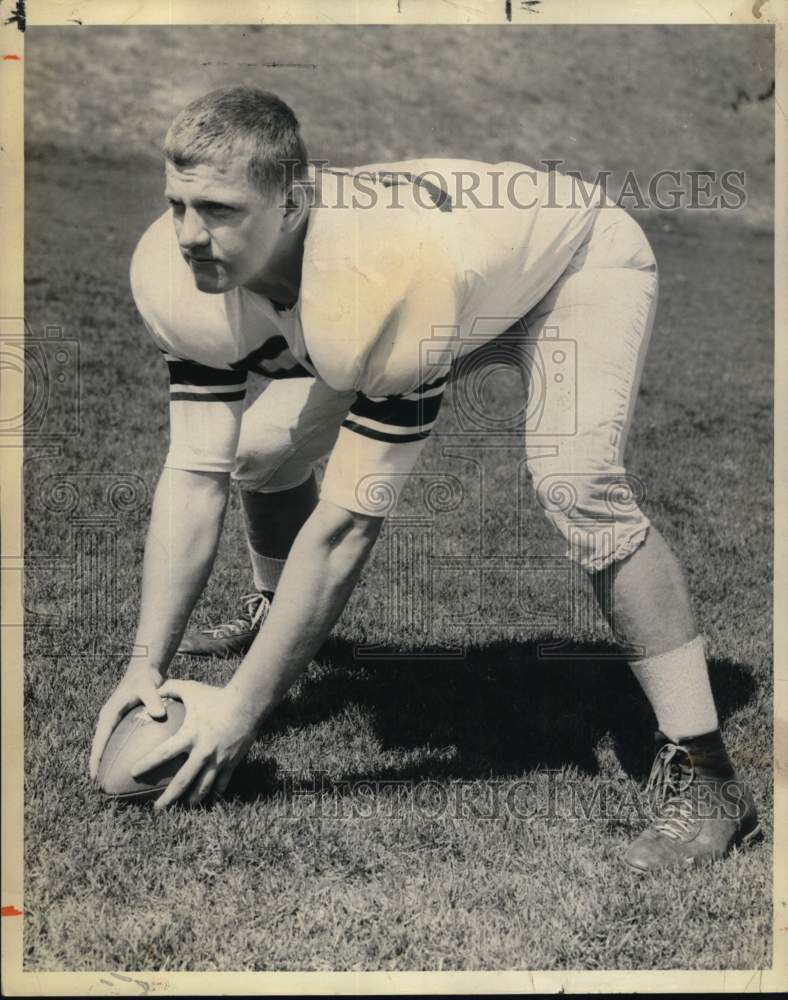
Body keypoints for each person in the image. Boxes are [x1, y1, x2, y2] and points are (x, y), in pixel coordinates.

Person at [89, 86, 761, 871]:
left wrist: (241, 710)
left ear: (296, 200)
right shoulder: (179, 273)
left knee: (577, 484)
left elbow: (345, 528)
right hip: (430, 279)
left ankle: (709, 776)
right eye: (175, 203)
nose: (189, 235)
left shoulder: (383, 280)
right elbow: (192, 475)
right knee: (259, 453)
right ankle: (278, 618)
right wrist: (145, 664)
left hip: (570, 262)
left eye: (219, 209)